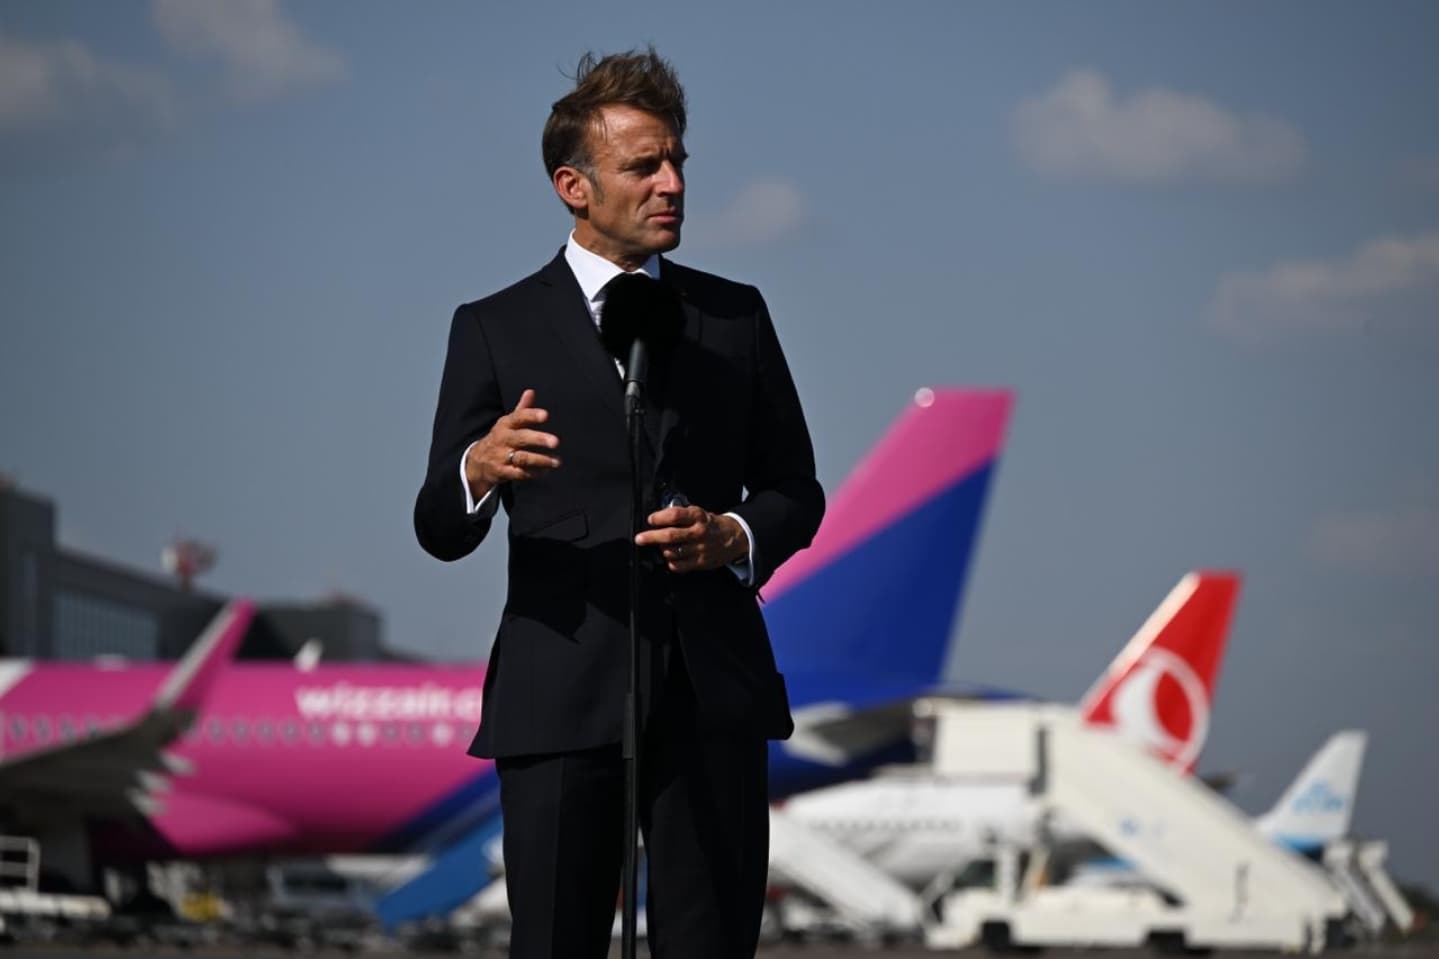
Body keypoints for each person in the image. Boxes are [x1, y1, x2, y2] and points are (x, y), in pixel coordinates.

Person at [414, 47, 824, 959]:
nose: (671, 183)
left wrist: (733, 534)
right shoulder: (494, 327)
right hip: (559, 692)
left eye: (677, 161)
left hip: (711, 692)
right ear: (574, 186)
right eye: (644, 166)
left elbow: (797, 489)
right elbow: (438, 525)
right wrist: (479, 467)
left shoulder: (736, 316)